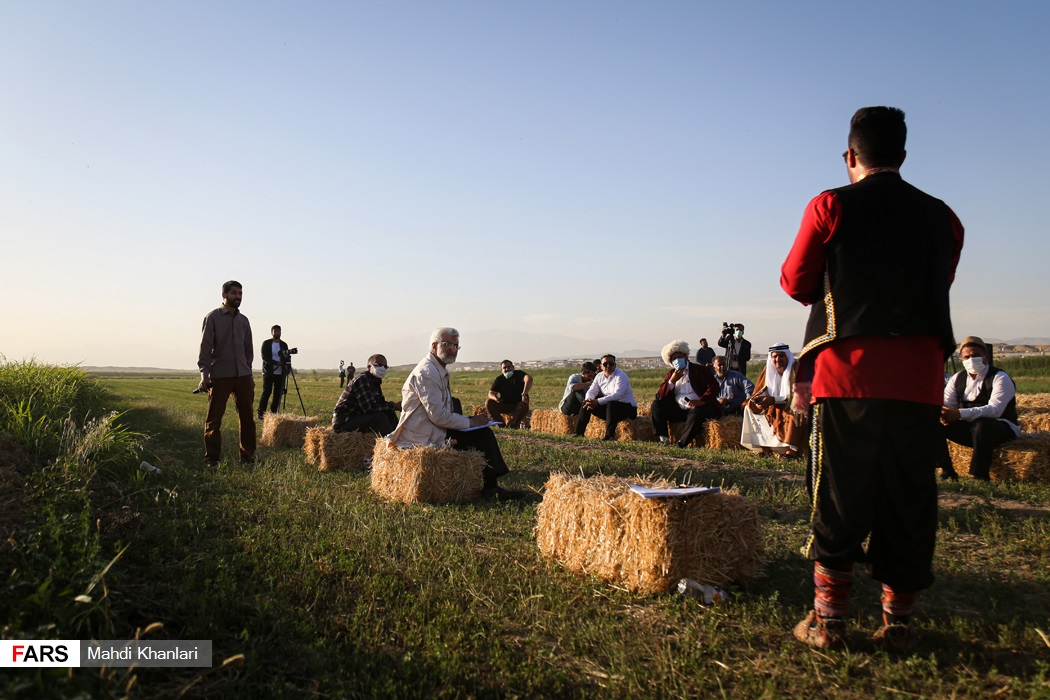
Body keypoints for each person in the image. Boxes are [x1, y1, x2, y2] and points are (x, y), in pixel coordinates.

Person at [781, 106, 964, 653]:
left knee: (838, 493)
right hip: (919, 378)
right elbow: (942, 280)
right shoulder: (944, 216)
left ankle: (829, 622)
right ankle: (898, 623)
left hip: (847, 377)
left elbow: (795, 280)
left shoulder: (830, 204)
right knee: (908, 495)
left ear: (850, 156)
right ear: (904, 156)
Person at [387, 328, 524, 500]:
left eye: (456, 346)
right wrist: (471, 423)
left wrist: (469, 420)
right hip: (424, 434)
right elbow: (438, 416)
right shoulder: (427, 373)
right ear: (434, 345)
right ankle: (491, 487)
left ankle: (489, 484)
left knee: (480, 431)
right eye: (448, 344)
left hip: (435, 427)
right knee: (483, 435)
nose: (453, 349)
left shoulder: (437, 369)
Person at [940, 336, 1019, 480]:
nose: (971, 359)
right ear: (962, 360)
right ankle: (947, 469)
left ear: (986, 358)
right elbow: (948, 404)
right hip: (972, 430)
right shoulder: (957, 378)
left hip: (1001, 428)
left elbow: (995, 410)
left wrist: (959, 414)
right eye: (967, 356)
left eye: (975, 355)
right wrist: (943, 414)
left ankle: (979, 475)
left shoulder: (1000, 377)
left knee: (982, 425)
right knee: (934, 424)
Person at [197, 280, 256, 465]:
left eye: (240, 293)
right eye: (234, 293)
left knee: (247, 419)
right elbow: (205, 349)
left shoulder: (244, 320)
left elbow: (249, 350)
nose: (238, 297)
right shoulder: (213, 317)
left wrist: (248, 373)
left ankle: (248, 457)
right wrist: (204, 376)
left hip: (243, 377)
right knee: (214, 420)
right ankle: (212, 460)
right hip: (220, 376)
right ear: (224, 295)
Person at [651, 340, 721, 448]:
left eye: (680, 357)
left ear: (686, 357)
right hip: (679, 409)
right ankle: (663, 439)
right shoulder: (671, 374)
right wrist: (672, 381)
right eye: (674, 359)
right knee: (656, 405)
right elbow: (660, 395)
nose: (677, 360)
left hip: (698, 408)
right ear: (671, 362)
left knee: (697, 412)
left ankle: (681, 443)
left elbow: (714, 388)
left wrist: (701, 400)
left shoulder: (700, 370)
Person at [740, 343, 807, 457]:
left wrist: (774, 400)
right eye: (774, 356)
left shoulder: (796, 369)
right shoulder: (768, 370)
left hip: (792, 404)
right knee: (750, 408)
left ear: (787, 357)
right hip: (772, 403)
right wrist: (759, 399)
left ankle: (791, 450)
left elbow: (797, 396)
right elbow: (762, 388)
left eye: (781, 356)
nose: (777, 359)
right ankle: (765, 448)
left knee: (794, 412)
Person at [332, 354, 402, 436]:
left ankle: (399, 437)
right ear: (369, 367)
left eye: (385, 367)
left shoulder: (375, 381)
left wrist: (394, 406)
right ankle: (391, 443)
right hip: (344, 422)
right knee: (380, 417)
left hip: (356, 417)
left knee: (389, 412)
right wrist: (394, 406)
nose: (382, 368)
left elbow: (381, 404)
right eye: (378, 365)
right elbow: (369, 408)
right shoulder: (362, 380)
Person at [574, 354, 638, 441]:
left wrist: (597, 401)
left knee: (612, 404)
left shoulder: (621, 376)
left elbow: (617, 395)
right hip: (610, 411)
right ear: (601, 366)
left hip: (627, 408)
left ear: (615, 365)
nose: (608, 366)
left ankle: (609, 436)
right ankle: (578, 433)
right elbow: (592, 390)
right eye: (605, 364)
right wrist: (589, 399)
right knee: (586, 403)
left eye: (611, 364)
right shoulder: (599, 376)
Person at [486, 360, 533, 428]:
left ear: (513, 367)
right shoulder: (499, 379)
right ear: (501, 370)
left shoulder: (519, 374)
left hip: (518, 404)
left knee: (524, 404)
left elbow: (529, 379)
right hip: (505, 404)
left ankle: (512, 425)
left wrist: (524, 393)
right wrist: (495, 397)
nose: (507, 369)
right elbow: (491, 393)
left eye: (509, 367)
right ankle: (501, 424)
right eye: (504, 368)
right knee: (489, 403)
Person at [257, 325, 289, 419]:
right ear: (272, 332)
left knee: (278, 394)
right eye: (275, 331)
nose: (277, 333)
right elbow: (264, 357)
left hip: (280, 373)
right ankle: (261, 413)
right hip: (269, 372)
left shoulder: (284, 344)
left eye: (278, 331)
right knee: (267, 392)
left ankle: (274, 413)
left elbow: (286, 357)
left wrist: (286, 367)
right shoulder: (266, 343)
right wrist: (276, 363)